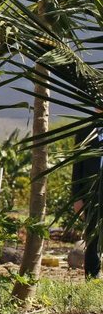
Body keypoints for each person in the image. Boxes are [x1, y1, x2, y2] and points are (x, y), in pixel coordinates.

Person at [72, 119, 103, 280]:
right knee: (93, 236)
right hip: (91, 194)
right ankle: (92, 276)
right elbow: (77, 168)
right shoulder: (84, 133)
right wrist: (77, 198)